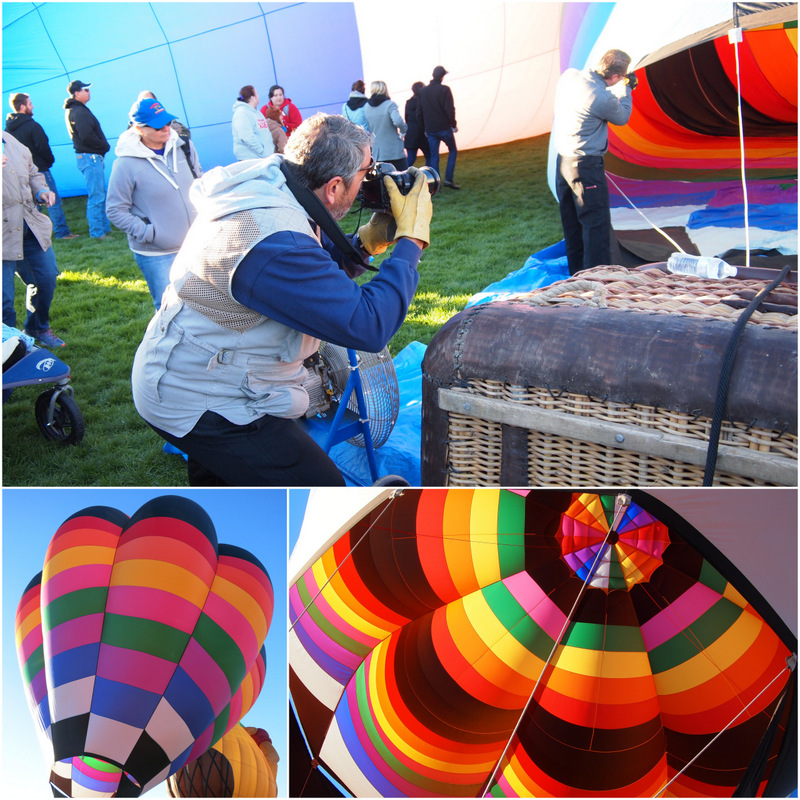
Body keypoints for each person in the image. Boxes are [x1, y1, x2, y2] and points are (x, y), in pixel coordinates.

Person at [131, 112, 433, 486]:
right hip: (203, 397)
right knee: (320, 489)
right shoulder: (273, 243)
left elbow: (303, 277)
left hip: (184, 367)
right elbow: (368, 324)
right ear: (335, 186)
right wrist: (411, 242)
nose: (371, 182)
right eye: (366, 174)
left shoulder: (273, 183)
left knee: (226, 481)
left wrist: (363, 244)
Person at [106, 98, 202, 309]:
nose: (166, 129)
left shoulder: (184, 148)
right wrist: (149, 233)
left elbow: (199, 182)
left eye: (168, 122)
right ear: (139, 128)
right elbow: (114, 210)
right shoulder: (124, 164)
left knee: (204, 305)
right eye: (158, 126)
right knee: (170, 309)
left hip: (196, 245)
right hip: (158, 255)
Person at [552, 49, 634, 274]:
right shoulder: (599, 97)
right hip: (586, 166)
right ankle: (596, 280)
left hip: (563, 162)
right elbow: (622, 116)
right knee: (594, 224)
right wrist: (627, 90)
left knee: (572, 222)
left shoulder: (569, 76)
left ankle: (576, 275)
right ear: (616, 77)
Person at [2, 131, 65, 348]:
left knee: (46, 278)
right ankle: (8, 351)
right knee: (4, 302)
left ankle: (36, 327)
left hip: (28, 226)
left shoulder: (10, 141)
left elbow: (32, 173)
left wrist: (41, 191)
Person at [5, 93, 77, 240]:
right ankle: (62, 232)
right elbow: (42, 147)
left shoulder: (7, 131)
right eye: (30, 103)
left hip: (19, 173)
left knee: (29, 205)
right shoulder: (33, 126)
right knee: (52, 200)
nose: (33, 106)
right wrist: (48, 162)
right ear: (23, 106)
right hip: (39, 170)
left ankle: (32, 235)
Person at [63, 79, 112, 239]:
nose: (89, 92)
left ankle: (104, 229)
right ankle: (97, 233)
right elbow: (86, 136)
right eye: (86, 90)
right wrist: (103, 146)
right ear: (77, 93)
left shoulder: (77, 110)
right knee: (96, 196)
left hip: (90, 157)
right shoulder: (79, 112)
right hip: (90, 157)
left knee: (99, 194)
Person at [417, 66, 460, 189]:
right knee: (452, 150)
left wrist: (424, 128)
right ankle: (448, 179)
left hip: (430, 130)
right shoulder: (445, 90)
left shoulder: (423, 91)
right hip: (444, 127)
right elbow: (449, 109)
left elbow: (419, 112)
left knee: (434, 156)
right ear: (442, 77)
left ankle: (436, 184)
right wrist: (454, 125)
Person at [363, 81, 407, 171]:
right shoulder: (390, 105)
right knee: (403, 177)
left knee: (383, 180)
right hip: (394, 150)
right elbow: (398, 121)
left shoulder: (367, 107)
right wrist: (403, 131)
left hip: (378, 151)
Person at [232, 85, 275, 161]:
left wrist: (270, 150)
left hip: (264, 158)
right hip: (251, 159)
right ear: (253, 98)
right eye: (257, 94)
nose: (259, 96)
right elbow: (247, 137)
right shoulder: (242, 113)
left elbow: (266, 133)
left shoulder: (258, 113)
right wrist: (262, 152)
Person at [403, 82, 430, 167]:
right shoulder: (424, 102)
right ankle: (429, 176)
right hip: (422, 134)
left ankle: (402, 176)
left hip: (411, 133)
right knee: (429, 156)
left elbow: (406, 118)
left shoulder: (408, 103)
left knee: (411, 158)